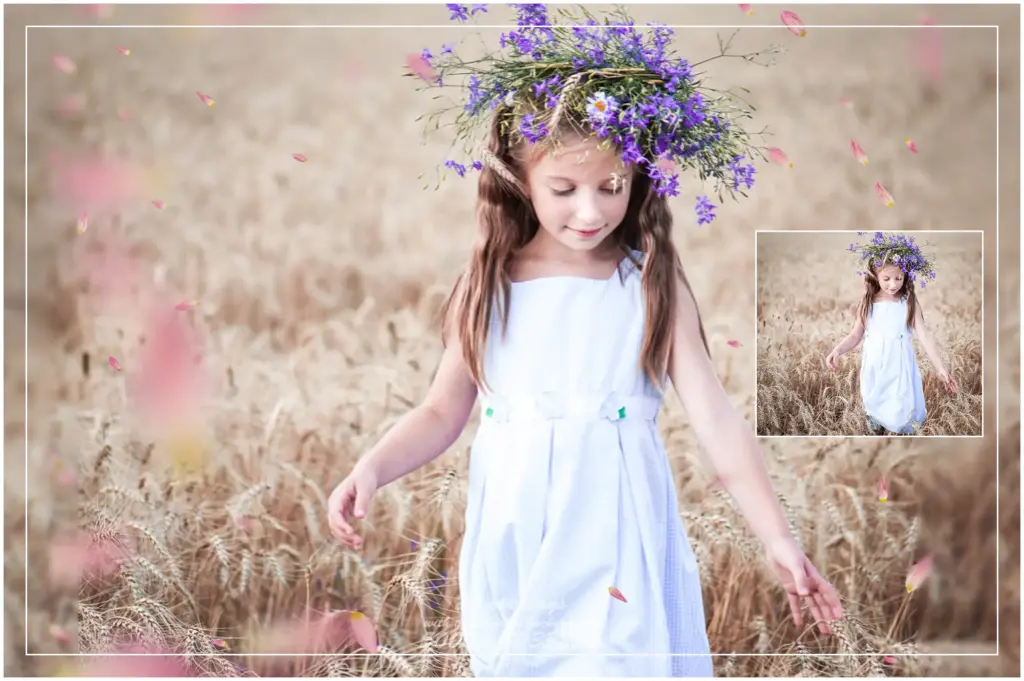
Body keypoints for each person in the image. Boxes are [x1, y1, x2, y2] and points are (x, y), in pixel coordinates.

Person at [328, 5, 844, 677]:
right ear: (522, 175)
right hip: (515, 528)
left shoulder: (649, 284)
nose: (591, 210)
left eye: (612, 186)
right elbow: (440, 412)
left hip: (614, 525)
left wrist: (778, 537)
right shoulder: (490, 283)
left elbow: (717, 420)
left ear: (637, 180)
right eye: (564, 188)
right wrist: (371, 466)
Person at [827, 232, 958, 435]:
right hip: (875, 363)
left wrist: (941, 368)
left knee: (901, 407)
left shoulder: (908, 301)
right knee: (875, 404)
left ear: (906, 276)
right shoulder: (868, 303)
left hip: (900, 364)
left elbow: (924, 335)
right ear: (876, 276)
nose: (893, 284)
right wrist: (837, 350)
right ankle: (876, 427)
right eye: (886, 278)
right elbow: (855, 335)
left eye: (899, 278)